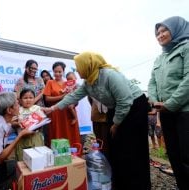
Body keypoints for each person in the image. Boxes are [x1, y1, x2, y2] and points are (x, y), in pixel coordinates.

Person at [43, 52, 151, 190]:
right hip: (117, 108)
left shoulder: (110, 76)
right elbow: (73, 96)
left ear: (88, 65)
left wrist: (116, 124)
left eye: (79, 66)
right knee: (116, 148)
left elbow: (125, 101)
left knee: (132, 148)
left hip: (134, 108)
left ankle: (137, 184)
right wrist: (52, 109)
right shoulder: (88, 82)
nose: (77, 70)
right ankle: (119, 182)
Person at [148, 16, 189, 190]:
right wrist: (154, 102)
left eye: (164, 30)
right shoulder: (160, 58)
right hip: (165, 112)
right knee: (173, 155)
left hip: (185, 112)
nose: (160, 35)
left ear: (176, 29)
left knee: (187, 156)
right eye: (157, 33)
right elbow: (152, 83)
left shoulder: (186, 48)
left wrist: (170, 103)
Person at [43, 61, 81, 146]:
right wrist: (62, 97)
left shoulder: (68, 83)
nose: (57, 74)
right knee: (58, 134)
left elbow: (75, 95)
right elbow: (47, 99)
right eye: (55, 71)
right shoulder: (50, 82)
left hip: (68, 113)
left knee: (70, 134)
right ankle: (58, 155)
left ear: (63, 71)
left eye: (60, 72)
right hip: (56, 113)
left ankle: (74, 153)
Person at [15, 88, 45, 161]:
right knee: (23, 159)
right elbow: (12, 122)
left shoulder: (37, 108)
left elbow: (43, 120)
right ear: (20, 100)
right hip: (22, 138)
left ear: (34, 99)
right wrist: (17, 123)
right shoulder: (18, 110)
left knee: (38, 158)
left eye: (31, 98)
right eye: (25, 98)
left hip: (35, 137)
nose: (28, 100)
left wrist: (39, 123)